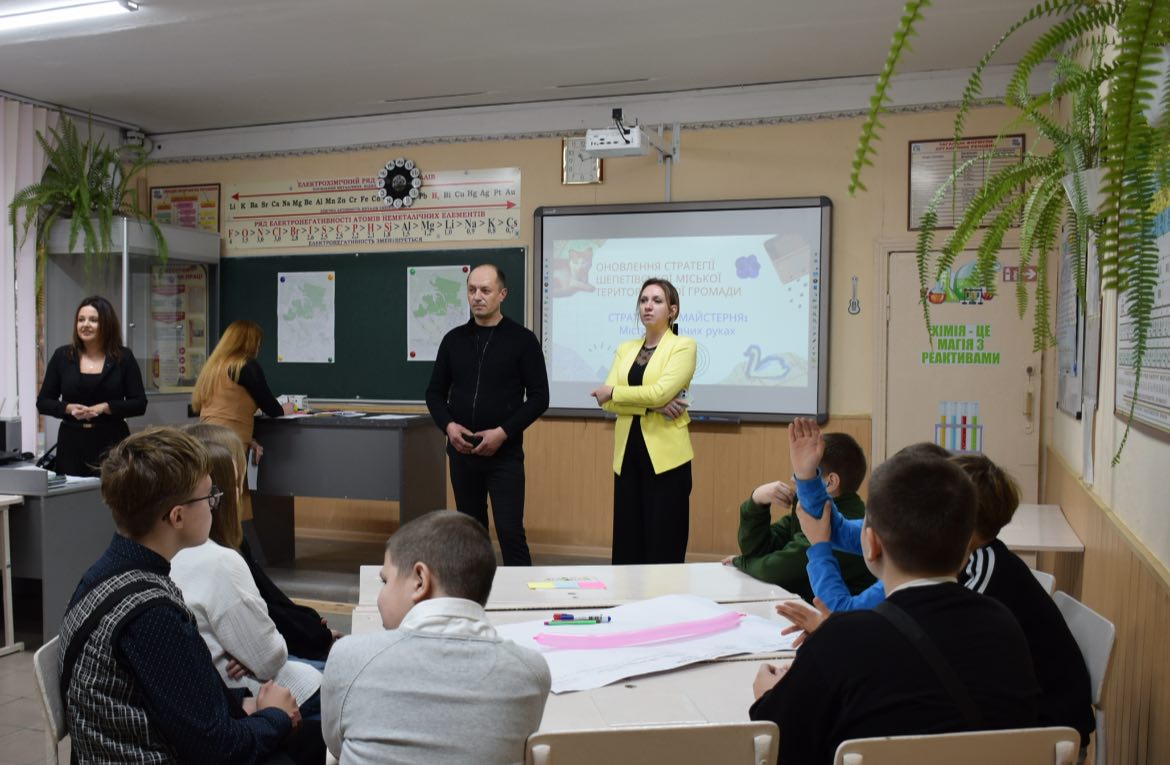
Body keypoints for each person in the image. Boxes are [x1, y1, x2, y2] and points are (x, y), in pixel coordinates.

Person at [749, 450, 1040, 764]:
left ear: (872, 545)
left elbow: (774, 742)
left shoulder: (842, 637)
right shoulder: (1005, 626)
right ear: (965, 552)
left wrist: (767, 695)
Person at [59, 426, 310, 764]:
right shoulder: (152, 615)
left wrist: (240, 702)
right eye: (209, 497)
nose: (215, 504)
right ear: (177, 516)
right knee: (304, 739)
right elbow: (218, 749)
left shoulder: (106, 572)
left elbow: (177, 700)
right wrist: (276, 716)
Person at [321, 510, 551, 765]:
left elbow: (336, 748)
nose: (380, 595)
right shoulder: (531, 671)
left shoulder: (349, 658)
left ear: (420, 581)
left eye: (385, 581)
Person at [168, 429, 326, 761]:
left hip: (225, 696)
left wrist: (246, 646)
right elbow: (269, 657)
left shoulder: (159, 556)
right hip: (240, 698)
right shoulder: (219, 560)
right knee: (345, 687)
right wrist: (251, 646)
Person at [954, 453, 1095, 748]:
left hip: (1049, 724)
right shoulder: (985, 557)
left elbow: (949, 622)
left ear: (963, 517)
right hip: (1028, 708)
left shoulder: (988, 568)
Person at [425, 264, 549, 566]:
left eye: (485, 290)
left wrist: (503, 432)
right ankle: (475, 592)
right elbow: (434, 394)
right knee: (471, 535)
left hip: (504, 455)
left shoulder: (523, 340)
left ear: (502, 294)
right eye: (471, 290)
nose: (477, 296)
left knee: (510, 532)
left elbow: (539, 397)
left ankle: (521, 593)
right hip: (462, 453)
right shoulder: (453, 340)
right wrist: (449, 426)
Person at [183, 422, 339, 662]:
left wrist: (310, 622)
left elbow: (270, 599)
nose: (240, 490)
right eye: (236, 482)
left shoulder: (233, 542)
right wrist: (316, 634)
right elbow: (265, 637)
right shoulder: (218, 558)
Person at [591, 278, 696, 565]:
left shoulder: (683, 346)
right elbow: (606, 403)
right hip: (627, 455)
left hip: (667, 459)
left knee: (664, 542)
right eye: (643, 300)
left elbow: (657, 392)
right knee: (628, 542)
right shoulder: (626, 348)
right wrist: (652, 406)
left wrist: (616, 392)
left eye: (657, 300)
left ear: (673, 310)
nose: (648, 306)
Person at [724, 432, 875, 601]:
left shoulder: (847, 520)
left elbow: (774, 571)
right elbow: (760, 549)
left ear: (830, 482)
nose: (793, 479)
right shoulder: (811, 509)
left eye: (804, 472)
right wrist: (757, 502)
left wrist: (741, 562)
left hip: (842, 615)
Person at [192, 319, 293, 530]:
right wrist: (287, 408)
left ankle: (215, 538)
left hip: (205, 438)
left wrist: (251, 439)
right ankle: (234, 543)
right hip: (229, 443)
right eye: (258, 344)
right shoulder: (245, 366)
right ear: (249, 342)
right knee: (232, 498)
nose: (258, 349)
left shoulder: (213, 367)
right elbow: (272, 408)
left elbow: (222, 410)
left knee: (212, 495)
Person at [37, 295, 146, 476]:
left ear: (107, 324)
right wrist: (68, 408)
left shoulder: (123, 357)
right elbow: (43, 402)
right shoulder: (62, 356)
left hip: (112, 443)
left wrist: (106, 407)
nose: (85, 325)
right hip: (71, 443)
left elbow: (140, 403)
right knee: (72, 493)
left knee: (113, 491)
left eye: (93, 320)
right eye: (81, 320)